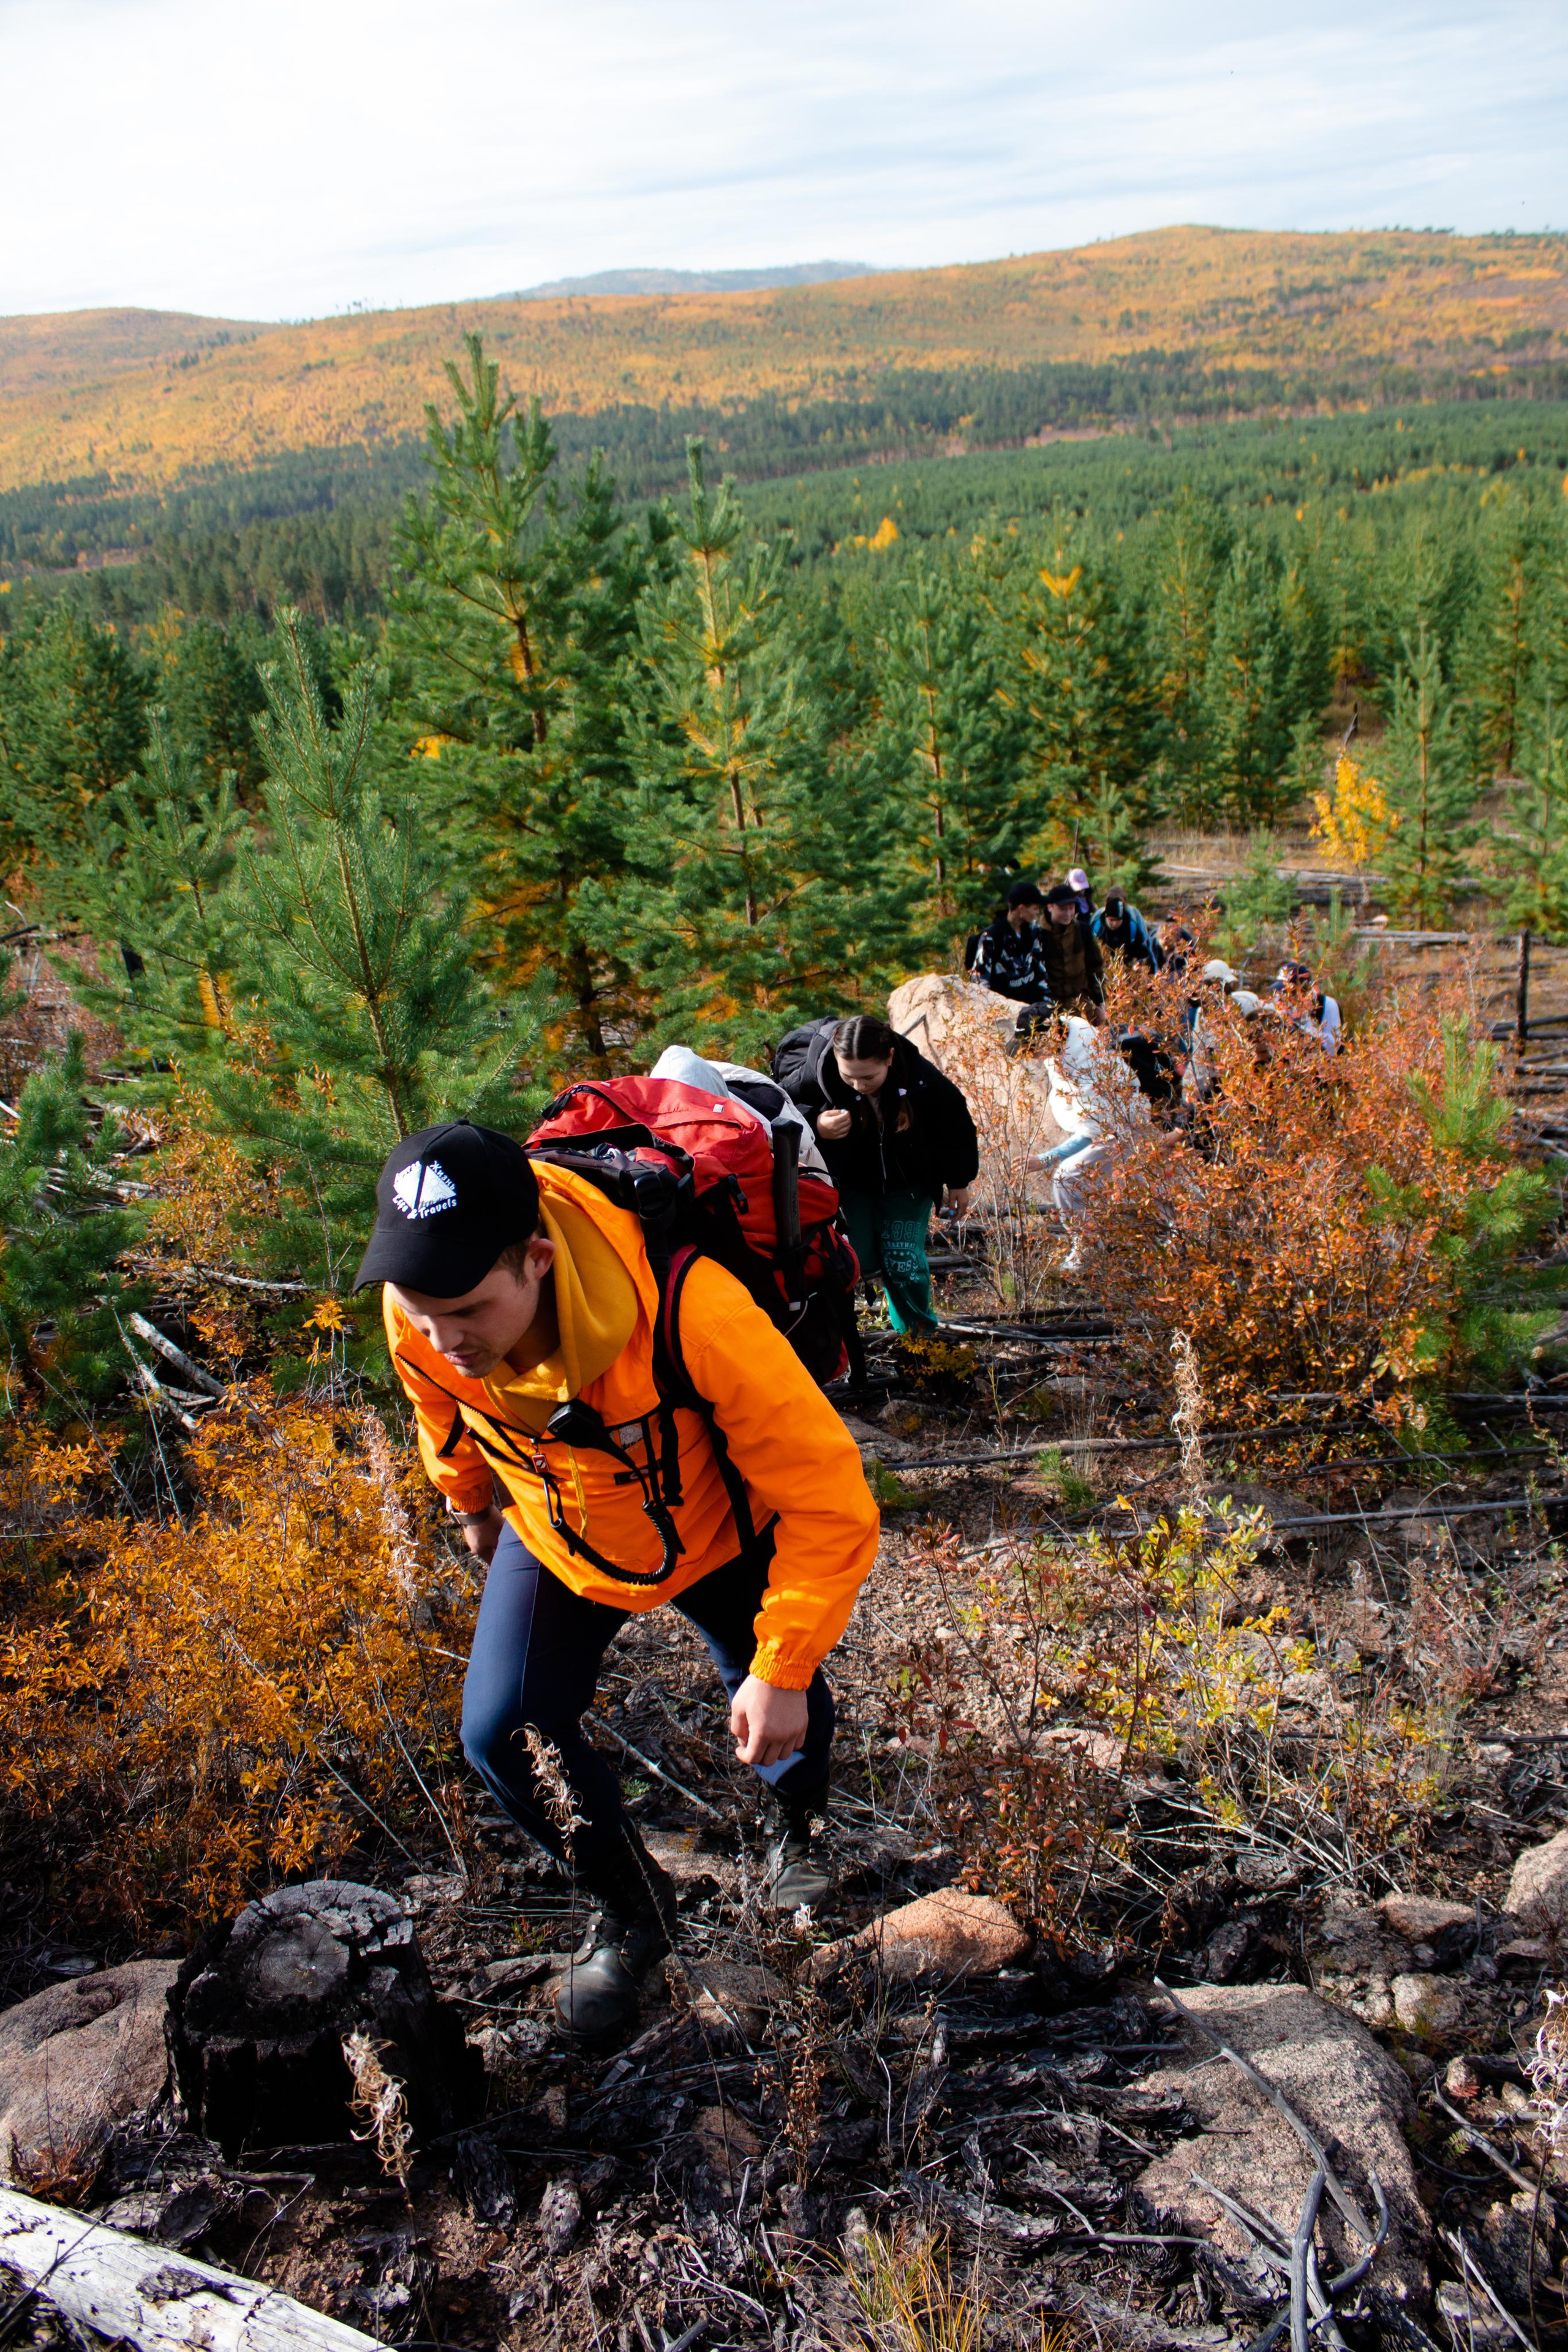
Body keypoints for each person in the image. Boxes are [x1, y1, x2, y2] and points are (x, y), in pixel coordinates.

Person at [359, 1120, 880, 2041]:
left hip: (714, 1524)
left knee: (767, 1693)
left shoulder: (692, 1309)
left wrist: (786, 1665)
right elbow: (434, 1402)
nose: (443, 1336)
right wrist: (470, 1503)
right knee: (503, 1730)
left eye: (470, 1310)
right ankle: (637, 1913)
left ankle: (798, 1830)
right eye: (422, 1309)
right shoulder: (424, 1303)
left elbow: (830, 1498)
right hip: (561, 1526)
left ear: (537, 1258)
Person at [772, 1013, 978, 1338]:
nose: (858, 1085)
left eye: (868, 1077)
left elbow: (955, 1125)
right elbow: (775, 1109)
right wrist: (816, 1124)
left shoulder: (920, 1078)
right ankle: (840, 1335)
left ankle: (919, 1337)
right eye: (849, 1077)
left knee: (902, 1261)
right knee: (858, 1259)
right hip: (849, 1184)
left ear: (890, 1059)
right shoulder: (814, 1075)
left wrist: (958, 1182)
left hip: (907, 1183)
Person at [971, 881, 1052, 1008]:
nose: (1038, 913)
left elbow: (1041, 970)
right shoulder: (992, 937)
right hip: (1005, 1010)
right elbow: (980, 982)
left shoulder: (1033, 932)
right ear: (1021, 909)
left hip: (1034, 1007)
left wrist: (1048, 1005)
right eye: (1035, 908)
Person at [1039, 883, 1107, 1023]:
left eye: (1071, 908)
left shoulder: (1082, 931)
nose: (1068, 913)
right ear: (1050, 907)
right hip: (1051, 1007)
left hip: (1081, 1004)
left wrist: (1100, 1003)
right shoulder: (1039, 935)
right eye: (1063, 909)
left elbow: (1095, 968)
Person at [1275, 960, 1343, 1055]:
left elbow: (1334, 1048)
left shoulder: (1328, 1005)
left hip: (1319, 1062)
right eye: (1283, 991)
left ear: (1305, 991)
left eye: (1292, 992)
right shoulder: (1279, 1000)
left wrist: (1305, 1027)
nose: (1286, 996)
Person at [1091, 888, 1164, 973]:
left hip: (1128, 970)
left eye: (1118, 920)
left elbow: (1144, 948)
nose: (1115, 924)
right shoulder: (1097, 925)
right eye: (1111, 920)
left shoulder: (1132, 923)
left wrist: (1138, 964)